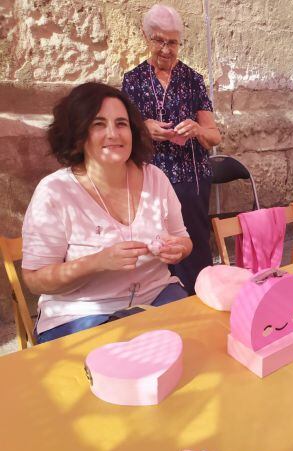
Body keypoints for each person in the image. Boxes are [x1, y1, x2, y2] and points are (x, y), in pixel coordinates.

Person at [21, 83, 193, 343]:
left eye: (121, 123)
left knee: (202, 351)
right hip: (81, 314)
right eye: (98, 124)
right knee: (117, 375)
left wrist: (178, 249)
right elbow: (34, 280)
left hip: (157, 298)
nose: (113, 134)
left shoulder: (155, 178)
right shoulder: (55, 191)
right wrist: (97, 262)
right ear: (78, 134)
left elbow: (185, 241)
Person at [122, 4, 221, 294]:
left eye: (173, 42)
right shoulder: (133, 80)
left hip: (191, 179)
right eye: (159, 40)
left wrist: (197, 130)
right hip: (148, 180)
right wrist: (144, 128)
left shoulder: (193, 80)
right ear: (147, 38)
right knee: (157, 248)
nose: (165, 49)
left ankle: (199, 298)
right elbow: (119, 134)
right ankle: (161, 305)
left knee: (194, 245)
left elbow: (214, 136)